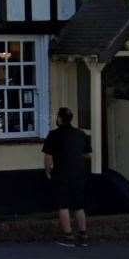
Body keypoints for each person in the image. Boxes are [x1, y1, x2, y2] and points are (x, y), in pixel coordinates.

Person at [43, 106, 92, 247]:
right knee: (79, 206)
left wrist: (47, 171)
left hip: (61, 173)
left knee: (63, 205)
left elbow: (48, 157)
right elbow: (87, 154)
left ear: (59, 119)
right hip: (78, 173)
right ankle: (83, 235)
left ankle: (68, 236)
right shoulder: (81, 134)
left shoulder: (53, 135)